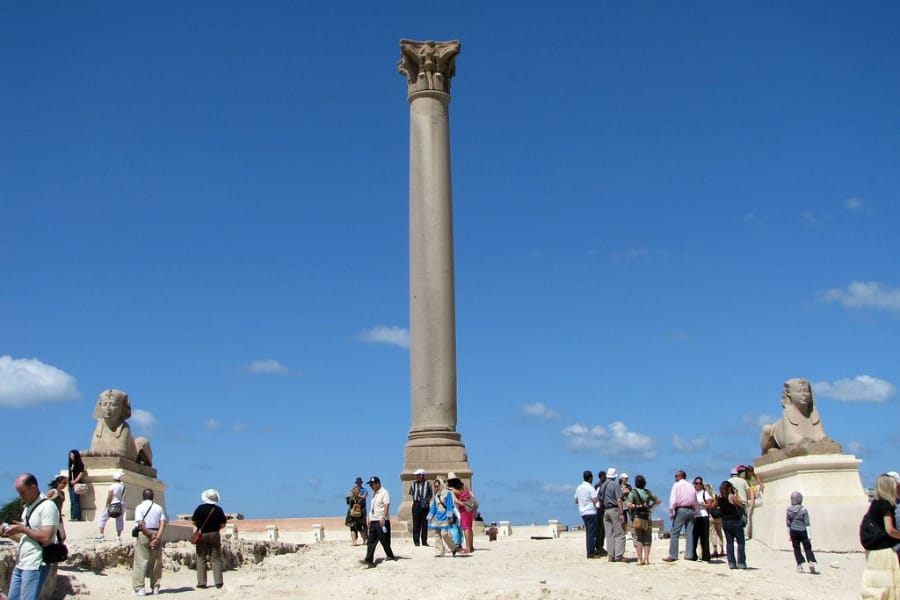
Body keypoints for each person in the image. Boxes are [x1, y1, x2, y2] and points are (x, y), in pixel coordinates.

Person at [0, 474, 60, 600]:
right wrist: (10, 533)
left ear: (33, 488)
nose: (20, 496)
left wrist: (23, 529)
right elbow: (26, 538)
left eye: (22, 492)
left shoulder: (48, 507)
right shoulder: (28, 508)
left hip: (35, 563)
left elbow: (46, 537)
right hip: (22, 562)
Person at [859, 474, 900, 600]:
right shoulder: (886, 505)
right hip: (884, 551)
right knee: (886, 589)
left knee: (875, 587)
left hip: (873, 552)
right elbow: (890, 530)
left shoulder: (875, 503)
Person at [132, 488, 166, 596]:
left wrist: (150, 535)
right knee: (156, 562)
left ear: (143, 497)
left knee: (141, 561)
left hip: (144, 533)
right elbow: (162, 524)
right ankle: (155, 587)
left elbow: (141, 523)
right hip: (156, 532)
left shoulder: (139, 507)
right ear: (153, 497)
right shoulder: (159, 508)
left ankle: (140, 588)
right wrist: (157, 538)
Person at [191, 488, 227, 589]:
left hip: (202, 534)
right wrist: (216, 528)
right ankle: (218, 582)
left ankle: (202, 582)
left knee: (201, 557)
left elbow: (193, 522)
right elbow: (223, 524)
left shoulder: (200, 508)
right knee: (216, 558)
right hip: (214, 534)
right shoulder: (218, 510)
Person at [664, 470, 698, 562]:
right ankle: (689, 555)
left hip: (681, 509)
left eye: (676, 476)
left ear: (680, 476)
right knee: (689, 533)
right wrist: (695, 512)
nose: (675, 477)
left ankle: (673, 555)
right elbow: (695, 500)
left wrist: (671, 512)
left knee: (675, 533)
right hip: (691, 509)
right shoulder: (691, 486)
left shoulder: (677, 485)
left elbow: (673, 500)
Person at [361, 476, 395, 567]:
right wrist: (369, 517)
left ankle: (390, 555)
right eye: (370, 485)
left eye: (372, 484)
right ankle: (369, 559)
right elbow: (372, 507)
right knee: (371, 541)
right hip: (373, 520)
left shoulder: (384, 492)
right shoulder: (374, 494)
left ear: (377, 484)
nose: (371, 486)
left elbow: (386, 505)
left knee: (384, 540)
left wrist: (383, 517)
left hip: (381, 520)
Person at [626, 475, 659, 565]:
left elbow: (629, 505)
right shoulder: (648, 492)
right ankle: (647, 559)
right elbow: (658, 501)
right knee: (647, 538)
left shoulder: (633, 492)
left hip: (636, 517)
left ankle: (640, 559)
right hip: (647, 517)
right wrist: (650, 507)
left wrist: (637, 506)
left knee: (638, 538)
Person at [715, 480, 746, 569]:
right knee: (740, 542)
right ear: (729, 488)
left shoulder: (719, 498)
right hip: (735, 521)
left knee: (729, 543)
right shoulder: (731, 496)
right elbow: (741, 505)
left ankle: (731, 563)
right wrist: (737, 495)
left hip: (725, 521)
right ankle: (741, 562)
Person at [598, 467, 626, 562]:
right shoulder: (615, 484)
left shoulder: (603, 485)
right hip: (614, 509)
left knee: (609, 535)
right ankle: (619, 555)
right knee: (620, 534)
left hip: (606, 510)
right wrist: (621, 512)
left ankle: (611, 555)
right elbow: (619, 499)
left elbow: (599, 499)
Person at [785, 491, 817, 573]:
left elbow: (788, 523)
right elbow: (807, 523)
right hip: (803, 531)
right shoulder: (803, 509)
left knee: (796, 549)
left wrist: (789, 535)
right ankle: (810, 561)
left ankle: (799, 565)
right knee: (807, 548)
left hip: (793, 531)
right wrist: (809, 535)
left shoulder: (789, 510)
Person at [426, 477, 457, 557]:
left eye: (437, 486)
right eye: (435, 486)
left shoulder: (447, 493)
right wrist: (429, 517)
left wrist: (450, 516)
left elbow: (449, 505)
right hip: (438, 518)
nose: (436, 488)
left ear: (441, 485)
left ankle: (453, 548)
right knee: (437, 535)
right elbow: (434, 507)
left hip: (445, 517)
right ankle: (439, 552)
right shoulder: (436, 496)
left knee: (444, 534)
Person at [574, 470, 599, 559]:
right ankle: (591, 553)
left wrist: (583, 501)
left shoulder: (579, 487)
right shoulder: (590, 488)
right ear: (590, 478)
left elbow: (576, 500)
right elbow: (595, 500)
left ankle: (590, 551)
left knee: (589, 532)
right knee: (591, 533)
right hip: (591, 511)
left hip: (583, 512)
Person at [96, 470, 126, 541]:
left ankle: (101, 534)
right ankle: (118, 536)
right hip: (122, 504)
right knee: (120, 520)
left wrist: (107, 505)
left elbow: (109, 497)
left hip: (114, 504)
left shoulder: (112, 486)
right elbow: (125, 497)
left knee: (103, 518)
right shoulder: (123, 486)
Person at [691, 476, 714, 562]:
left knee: (704, 537)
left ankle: (706, 556)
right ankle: (693, 555)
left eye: (700, 483)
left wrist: (701, 504)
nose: (698, 485)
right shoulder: (692, 493)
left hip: (703, 516)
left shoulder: (705, 493)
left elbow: (710, 505)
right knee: (694, 537)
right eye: (697, 483)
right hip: (695, 516)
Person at [408, 468, 432, 547]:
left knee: (425, 523)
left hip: (424, 504)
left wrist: (426, 501)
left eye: (418, 475)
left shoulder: (428, 484)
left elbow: (430, 494)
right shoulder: (413, 484)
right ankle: (416, 541)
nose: (416, 476)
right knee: (416, 523)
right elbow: (412, 493)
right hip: (416, 504)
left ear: (422, 475)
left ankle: (424, 541)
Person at [45, 476, 68, 543]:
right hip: (51, 515)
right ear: (58, 483)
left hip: (58, 515)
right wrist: (53, 498)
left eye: (66, 483)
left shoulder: (62, 493)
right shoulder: (53, 491)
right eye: (63, 483)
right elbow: (43, 501)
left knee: (62, 536)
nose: (65, 485)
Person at [345, 479, 368, 545]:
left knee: (352, 528)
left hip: (352, 515)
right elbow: (363, 504)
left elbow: (348, 504)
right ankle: (364, 540)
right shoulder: (361, 499)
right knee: (360, 528)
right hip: (359, 514)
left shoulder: (351, 498)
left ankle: (354, 542)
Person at [706, 483, 724, 558]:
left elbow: (709, 506)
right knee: (720, 533)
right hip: (719, 516)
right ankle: (722, 549)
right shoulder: (716, 495)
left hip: (711, 516)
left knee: (712, 533)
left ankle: (715, 550)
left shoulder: (707, 496)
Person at [67, 449, 86, 521]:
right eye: (70, 455)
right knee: (72, 501)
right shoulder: (71, 464)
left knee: (75, 500)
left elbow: (81, 473)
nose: (71, 456)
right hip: (71, 485)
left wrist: (75, 481)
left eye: (72, 455)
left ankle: (76, 516)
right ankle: (72, 516)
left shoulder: (79, 463)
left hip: (76, 484)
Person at [593, 470, 607, 557]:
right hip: (600, 509)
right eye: (604, 476)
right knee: (600, 529)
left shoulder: (599, 485)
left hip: (601, 508)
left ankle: (600, 546)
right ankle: (599, 547)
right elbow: (597, 497)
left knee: (602, 529)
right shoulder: (599, 486)